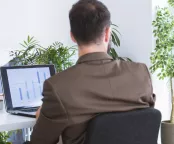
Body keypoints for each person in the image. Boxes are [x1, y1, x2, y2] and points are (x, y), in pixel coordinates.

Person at [30, 0, 155, 144]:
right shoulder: (141, 74)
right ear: (108, 33)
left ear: (72, 36)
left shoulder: (58, 87)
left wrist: (42, 117)